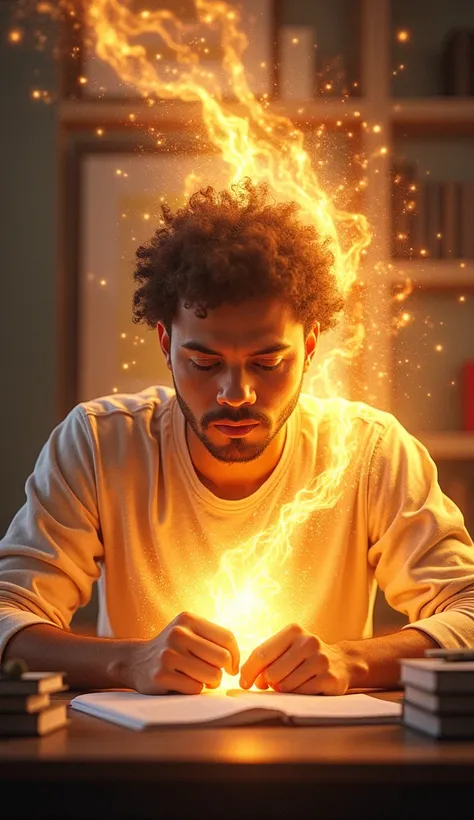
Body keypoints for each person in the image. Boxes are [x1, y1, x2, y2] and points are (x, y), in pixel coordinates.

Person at [0, 179, 473, 697]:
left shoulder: (371, 449)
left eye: (268, 363)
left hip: (329, 759)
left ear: (310, 346)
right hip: (141, 758)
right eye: (204, 363)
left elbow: (467, 610)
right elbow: (8, 615)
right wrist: (129, 661)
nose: (236, 394)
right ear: (165, 342)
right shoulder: (97, 443)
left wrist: (353, 660)